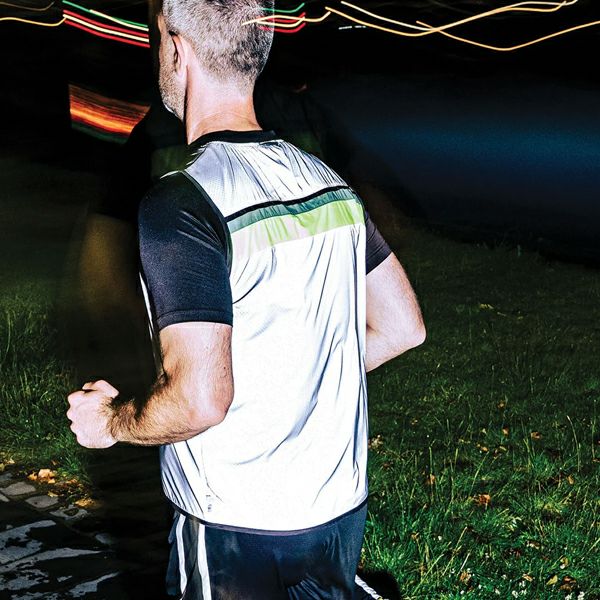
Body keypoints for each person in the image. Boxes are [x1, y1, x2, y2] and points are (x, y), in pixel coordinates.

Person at [67, 0, 426, 597]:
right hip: (336, 509)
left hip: (233, 522)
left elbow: (199, 399)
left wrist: (111, 422)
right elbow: (401, 327)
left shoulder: (183, 202)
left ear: (177, 49)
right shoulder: (328, 184)